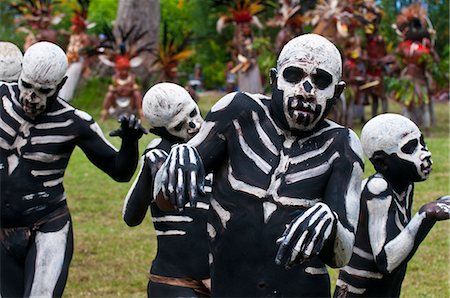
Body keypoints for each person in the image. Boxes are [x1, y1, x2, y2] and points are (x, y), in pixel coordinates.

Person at [155, 34, 364, 297]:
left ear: (338, 91)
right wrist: (174, 165)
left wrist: (330, 223)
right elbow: (165, 200)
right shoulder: (238, 114)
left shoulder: (342, 145)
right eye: (294, 76)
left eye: (320, 81)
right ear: (274, 78)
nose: (306, 91)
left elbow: (341, 256)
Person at [0, 41, 145, 297]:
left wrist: (130, 142)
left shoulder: (74, 123)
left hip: (47, 227)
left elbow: (120, 172)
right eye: (27, 85)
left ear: (61, 84)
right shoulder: (1, 98)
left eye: (44, 91)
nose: (31, 98)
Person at [334, 113, 450, 297]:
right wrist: (426, 215)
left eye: (422, 143)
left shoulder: (405, 185)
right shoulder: (377, 189)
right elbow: (387, 261)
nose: (425, 153)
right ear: (382, 162)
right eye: (410, 149)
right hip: (361, 291)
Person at [122, 82, 211, 297]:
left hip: (224, 276)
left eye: (193, 114)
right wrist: (152, 170)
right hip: (175, 280)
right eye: (179, 126)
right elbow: (131, 217)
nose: (193, 126)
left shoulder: (217, 142)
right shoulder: (157, 156)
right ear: (158, 132)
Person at [100, 57, 144, 122]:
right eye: (122, 70)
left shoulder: (131, 77)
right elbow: (111, 88)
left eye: (126, 70)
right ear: (118, 70)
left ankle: (141, 114)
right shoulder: (115, 78)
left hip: (130, 102)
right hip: (117, 102)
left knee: (136, 93)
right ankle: (104, 115)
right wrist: (117, 89)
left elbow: (136, 87)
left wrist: (130, 89)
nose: (124, 72)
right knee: (109, 94)